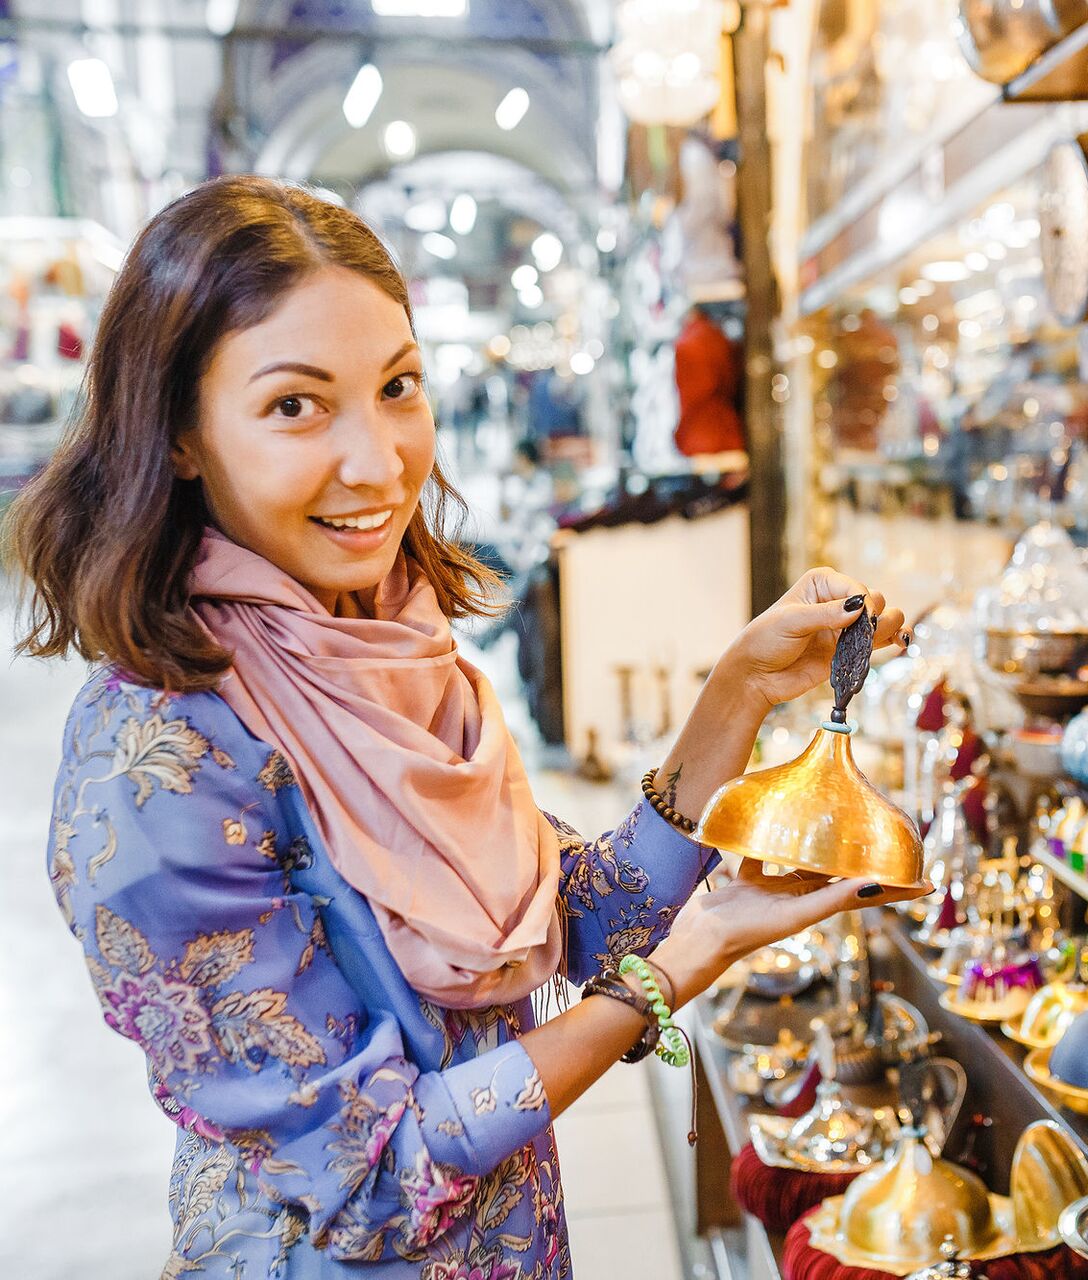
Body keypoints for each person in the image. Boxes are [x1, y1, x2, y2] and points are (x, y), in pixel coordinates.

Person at [4, 176, 917, 1279]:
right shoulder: (159, 761)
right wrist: (686, 962)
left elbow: (569, 923)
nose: (380, 461)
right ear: (180, 433)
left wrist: (737, 694)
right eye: (296, 404)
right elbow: (373, 1177)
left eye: (396, 386)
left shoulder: (392, 648)